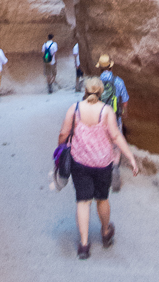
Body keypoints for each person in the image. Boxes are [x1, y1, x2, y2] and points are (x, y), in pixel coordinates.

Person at [56, 76, 139, 259]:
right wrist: (131, 158)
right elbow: (116, 136)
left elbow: (63, 133)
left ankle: (84, 245)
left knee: (83, 201)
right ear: (101, 92)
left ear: (84, 91)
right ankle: (105, 232)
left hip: (80, 162)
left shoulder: (75, 108)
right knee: (102, 199)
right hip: (103, 163)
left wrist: (60, 148)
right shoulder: (106, 110)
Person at [97, 54, 129, 126]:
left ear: (99, 68)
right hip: (114, 116)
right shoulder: (118, 81)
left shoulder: (96, 83)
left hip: (100, 116)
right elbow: (125, 100)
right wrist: (124, 112)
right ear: (111, 67)